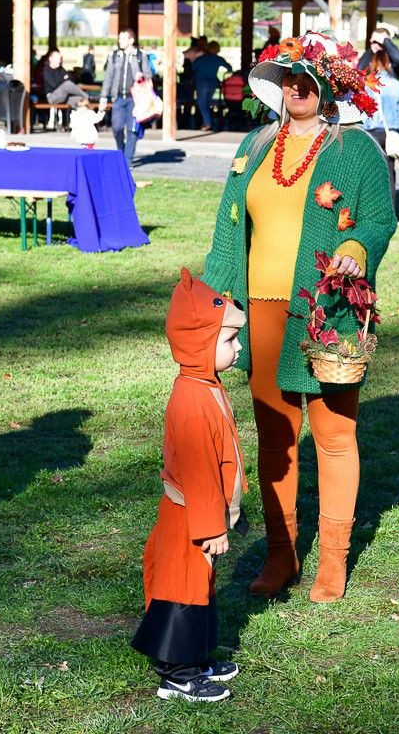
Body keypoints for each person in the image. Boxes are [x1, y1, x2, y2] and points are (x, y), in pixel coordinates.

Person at [203, 32, 396, 604]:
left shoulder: (355, 149)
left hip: (327, 309)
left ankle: (332, 561)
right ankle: (282, 553)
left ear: (329, 86)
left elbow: (379, 220)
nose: (295, 87)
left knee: (334, 435)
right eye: (287, 77)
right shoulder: (257, 143)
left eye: (307, 78)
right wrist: (218, 299)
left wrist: (357, 248)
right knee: (275, 435)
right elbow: (228, 228)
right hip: (262, 308)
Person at [131, 268, 249, 703]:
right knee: (182, 588)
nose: (238, 349)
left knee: (200, 586)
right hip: (189, 518)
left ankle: (197, 656)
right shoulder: (193, 400)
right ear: (200, 343)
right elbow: (200, 472)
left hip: (202, 515)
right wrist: (211, 526)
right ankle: (178, 674)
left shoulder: (205, 384)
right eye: (230, 340)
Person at [360, 37, 399, 196]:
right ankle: (392, 211)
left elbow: (362, 109)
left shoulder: (367, 85)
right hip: (390, 132)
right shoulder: (398, 85)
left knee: (370, 172)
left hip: (371, 131)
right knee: (390, 173)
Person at [100, 28, 151, 166]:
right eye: (119, 38)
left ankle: (127, 160)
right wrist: (103, 97)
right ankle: (120, 152)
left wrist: (141, 77)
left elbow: (148, 75)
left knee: (132, 129)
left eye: (122, 38)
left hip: (135, 99)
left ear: (131, 41)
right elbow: (108, 77)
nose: (119, 41)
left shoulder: (141, 56)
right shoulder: (115, 55)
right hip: (118, 98)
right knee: (116, 128)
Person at [191, 42, 231, 132]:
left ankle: (207, 123)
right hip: (213, 82)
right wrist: (224, 75)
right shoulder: (218, 59)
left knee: (201, 103)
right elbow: (229, 68)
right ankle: (206, 122)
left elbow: (193, 67)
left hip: (201, 82)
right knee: (207, 103)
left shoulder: (201, 58)